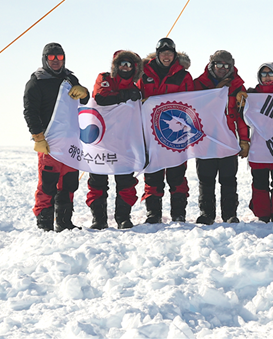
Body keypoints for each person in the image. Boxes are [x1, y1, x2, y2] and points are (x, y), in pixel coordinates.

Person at [23, 42, 90, 232]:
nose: (55, 61)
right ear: (45, 59)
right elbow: (30, 111)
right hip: (49, 143)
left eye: (59, 57)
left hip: (70, 142)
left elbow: (82, 102)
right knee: (48, 183)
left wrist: (85, 93)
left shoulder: (70, 78)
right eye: (51, 58)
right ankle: (44, 223)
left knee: (69, 183)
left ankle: (64, 222)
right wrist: (38, 137)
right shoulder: (36, 82)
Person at [86, 50, 143, 230]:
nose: (125, 67)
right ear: (115, 66)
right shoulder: (104, 78)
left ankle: (123, 217)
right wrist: (123, 96)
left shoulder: (136, 87)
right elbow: (100, 97)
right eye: (122, 64)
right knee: (97, 181)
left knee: (126, 181)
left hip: (124, 141)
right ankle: (99, 218)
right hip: (101, 141)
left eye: (129, 64)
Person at [139, 38, 194, 223]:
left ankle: (178, 213)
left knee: (177, 174)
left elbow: (190, 102)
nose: (167, 56)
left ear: (175, 55)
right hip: (150, 132)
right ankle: (153, 213)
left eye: (170, 53)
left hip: (174, 133)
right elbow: (135, 95)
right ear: (157, 54)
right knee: (153, 173)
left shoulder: (183, 75)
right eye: (163, 53)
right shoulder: (143, 72)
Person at [193, 50, 249, 224]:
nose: (223, 69)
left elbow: (242, 117)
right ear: (212, 65)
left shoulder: (238, 86)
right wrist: (216, 92)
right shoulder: (199, 84)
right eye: (219, 65)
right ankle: (207, 214)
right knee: (206, 179)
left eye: (227, 66)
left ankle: (229, 214)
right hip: (205, 139)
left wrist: (244, 139)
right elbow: (192, 107)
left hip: (227, 139)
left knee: (228, 179)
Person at [245, 63, 273, 223]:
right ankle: (262, 213)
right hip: (259, 146)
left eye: (270, 74)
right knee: (260, 182)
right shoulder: (251, 95)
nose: (267, 77)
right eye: (263, 74)